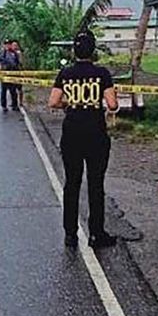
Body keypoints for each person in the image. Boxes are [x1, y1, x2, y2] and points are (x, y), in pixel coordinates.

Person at [48, 31, 119, 250]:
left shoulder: (65, 73)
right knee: (95, 184)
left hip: (71, 134)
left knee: (72, 183)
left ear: (74, 51)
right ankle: (96, 233)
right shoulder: (102, 73)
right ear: (94, 51)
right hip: (96, 134)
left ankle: (70, 234)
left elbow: (53, 102)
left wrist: (69, 105)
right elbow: (113, 104)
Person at [0, 39, 21, 111]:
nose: (7, 45)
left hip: (13, 74)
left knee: (13, 91)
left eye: (9, 44)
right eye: (6, 44)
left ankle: (14, 105)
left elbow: (17, 63)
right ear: (4, 45)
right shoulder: (2, 53)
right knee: (4, 91)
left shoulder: (14, 53)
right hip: (4, 74)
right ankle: (4, 106)